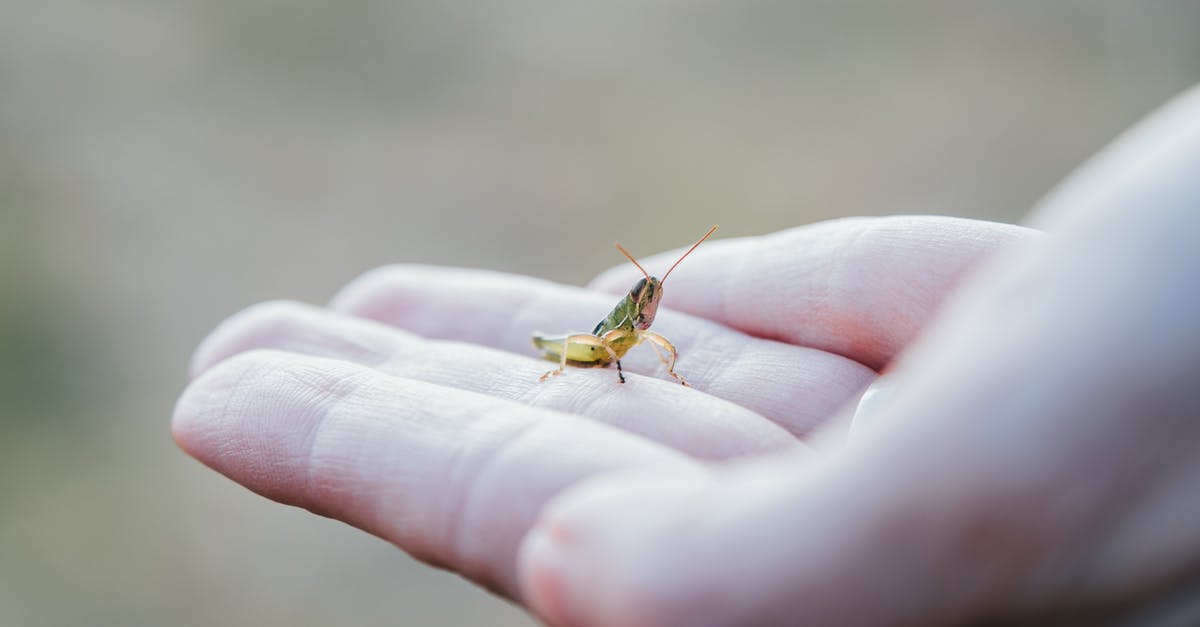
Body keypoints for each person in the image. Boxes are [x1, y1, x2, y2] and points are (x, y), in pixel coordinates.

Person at [173, 84, 1200, 626]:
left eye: (651, 295)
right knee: (579, 347)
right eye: (647, 292)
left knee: (635, 353)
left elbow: (642, 337)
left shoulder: (648, 318)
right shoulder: (621, 319)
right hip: (573, 349)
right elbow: (612, 338)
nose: (651, 298)